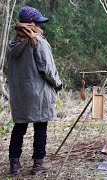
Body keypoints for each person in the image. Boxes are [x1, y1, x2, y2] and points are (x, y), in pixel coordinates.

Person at [7, 6, 62, 175]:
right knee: (40, 127)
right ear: (31, 23)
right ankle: (38, 163)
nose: (40, 25)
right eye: (38, 22)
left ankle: (14, 164)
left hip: (19, 94)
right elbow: (47, 69)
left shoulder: (12, 44)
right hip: (38, 93)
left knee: (19, 127)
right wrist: (58, 83)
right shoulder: (38, 41)